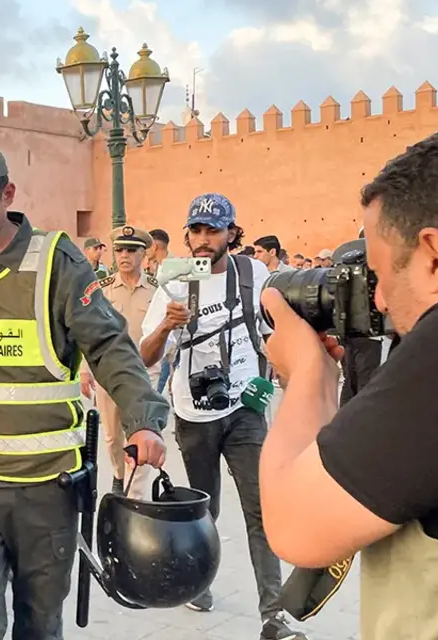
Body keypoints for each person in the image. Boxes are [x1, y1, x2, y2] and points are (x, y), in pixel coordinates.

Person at [0, 141, 168, 640]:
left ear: (8, 194)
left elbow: (108, 346)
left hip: (45, 484)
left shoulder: (56, 261)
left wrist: (144, 419)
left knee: (39, 623)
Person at [259, 123, 438, 638]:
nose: (378, 301)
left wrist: (308, 374)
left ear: (434, 255)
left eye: (381, 275)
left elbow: (296, 527)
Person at [138, 193, 304, 639]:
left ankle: (273, 613)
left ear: (233, 232)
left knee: (260, 509)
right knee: (203, 507)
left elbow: (275, 329)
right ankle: (200, 584)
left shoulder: (253, 272)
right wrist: (166, 326)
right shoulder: (171, 280)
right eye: (196, 230)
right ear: (187, 235)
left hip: (245, 406)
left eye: (214, 230)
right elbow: (146, 355)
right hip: (194, 414)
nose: (204, 239)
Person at [78, 225, 158, 496]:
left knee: (142, 430)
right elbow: (88, 331)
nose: (124, 255)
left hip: (147, 372)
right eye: (120, 250)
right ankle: (118, 476)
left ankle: (133, 495)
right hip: (109, 373)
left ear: (143, 254)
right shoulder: (102, 289)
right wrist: (84, 370)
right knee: (112, 437)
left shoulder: (157, 291)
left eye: (132, 250)